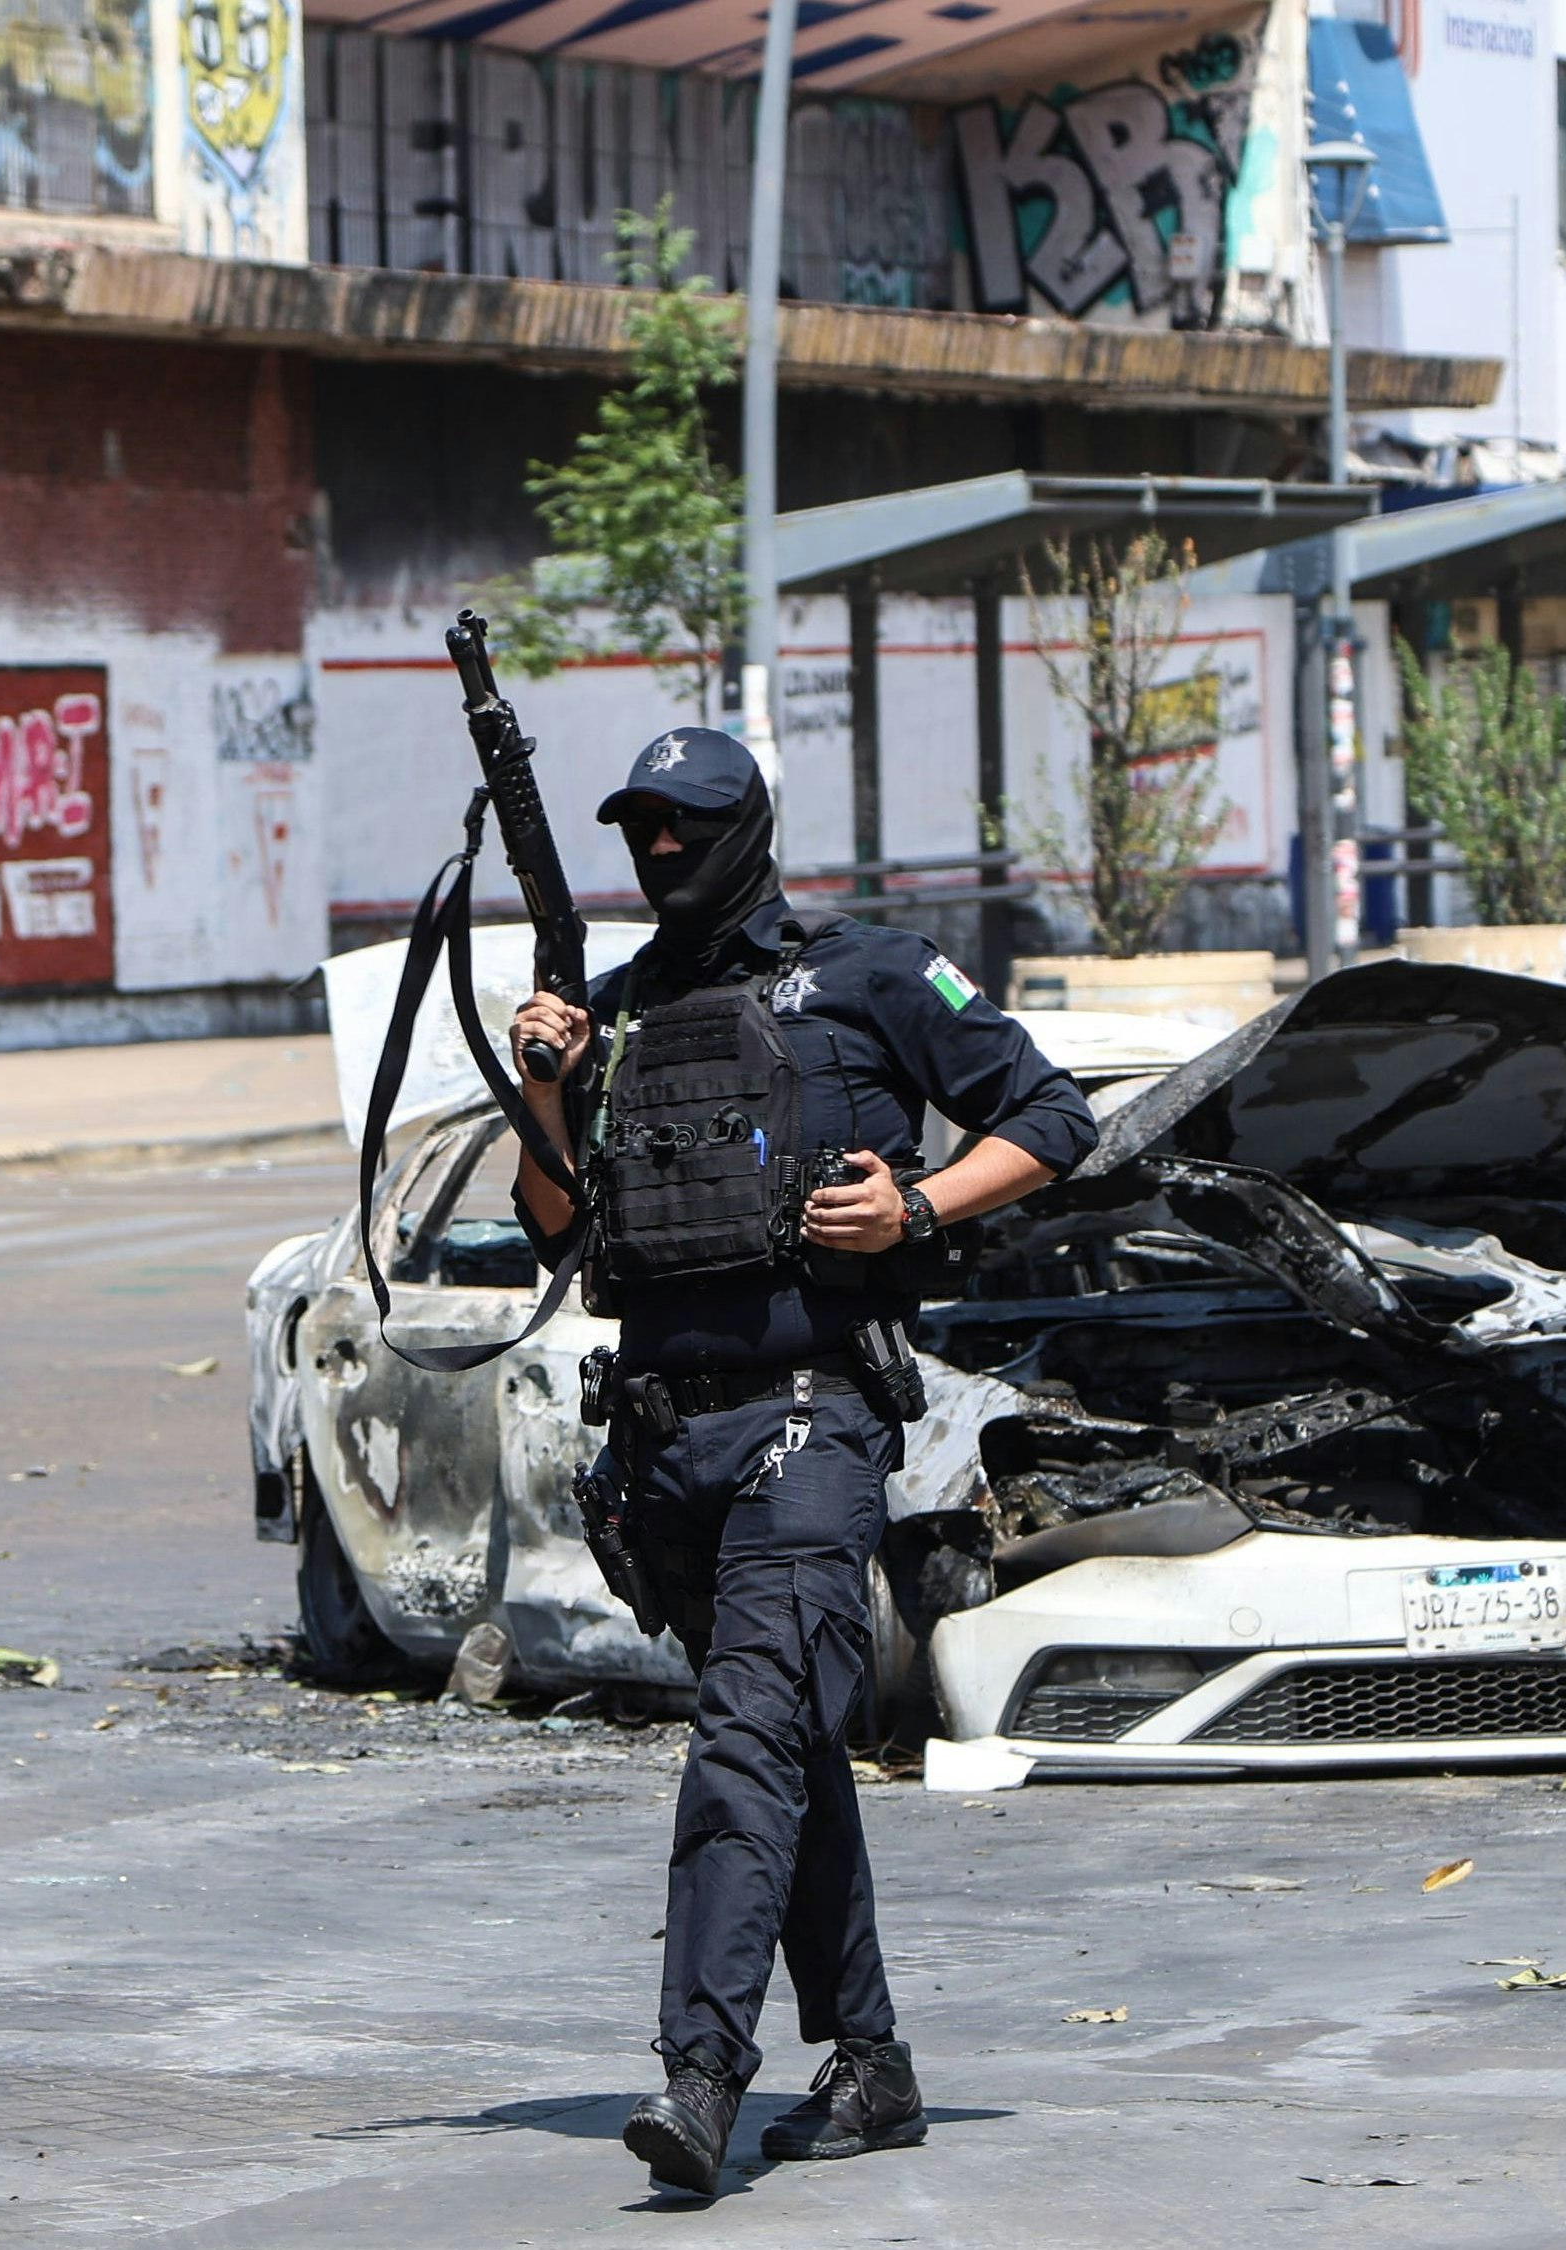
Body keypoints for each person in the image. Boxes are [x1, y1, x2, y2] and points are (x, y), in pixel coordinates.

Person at [505, 724, 1099, 2198]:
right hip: (663, 1445)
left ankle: (700, 2073)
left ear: (744, 828)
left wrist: (922, 1208)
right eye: (635, 826)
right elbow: (553, 1227)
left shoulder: (877, 975)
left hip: (809, 1423)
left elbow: (1055, 1113)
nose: (656, 852)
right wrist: (544, 1086)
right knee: (784, 1754)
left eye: (680, 826)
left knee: (745, 1745)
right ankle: (874, 2062)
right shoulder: (622, 1015)